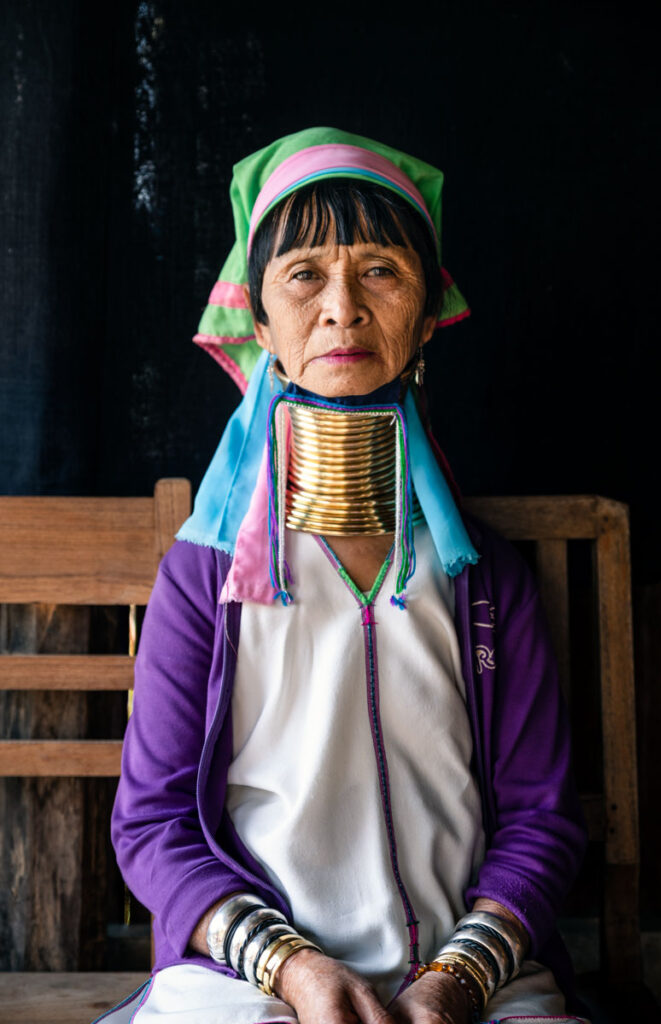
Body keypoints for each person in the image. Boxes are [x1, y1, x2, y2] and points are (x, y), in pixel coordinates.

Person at [94, 127, 589, 1024]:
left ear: (429, 311)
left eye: (380, 272)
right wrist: (293, 971)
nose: (342, 310)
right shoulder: (204, 577)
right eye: (304, 275)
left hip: (475, 973)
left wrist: (456, 978)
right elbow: (151, 825)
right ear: (259, 318)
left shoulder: (483, 580)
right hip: (250, 978)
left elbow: (541, 820)